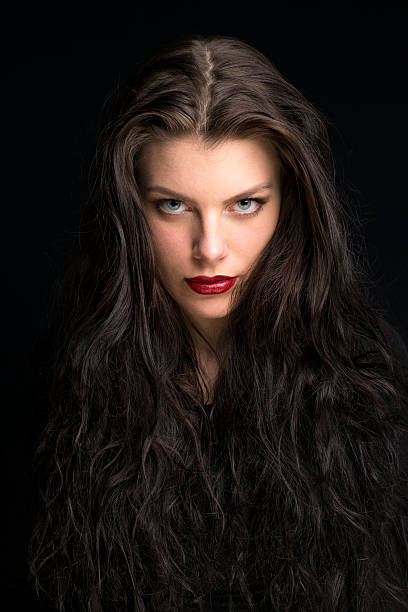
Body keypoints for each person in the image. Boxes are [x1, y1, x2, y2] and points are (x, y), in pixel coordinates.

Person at [27, 33, 408, 611]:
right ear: (129, 210)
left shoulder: (366, 385)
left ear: (291, 204)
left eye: (245, 204)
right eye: (173, 205)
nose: (210, 249)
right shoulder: (65, 385)